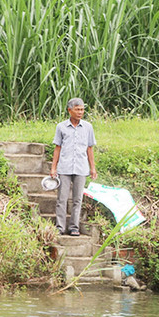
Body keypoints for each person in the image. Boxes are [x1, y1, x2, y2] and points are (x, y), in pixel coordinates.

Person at [49, 97, 98, 236]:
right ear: (70, 110)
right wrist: (53, 167)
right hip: (64, 167)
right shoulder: (61, 127)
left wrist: (92, 168)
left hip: (81, 168)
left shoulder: (88, 127)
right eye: (77, 109)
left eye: (82, 110)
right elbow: (57, 148)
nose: (80, 112)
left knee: (77, 199)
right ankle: (60, 227)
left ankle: (74, 227)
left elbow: (90, 148)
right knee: (62, 199)